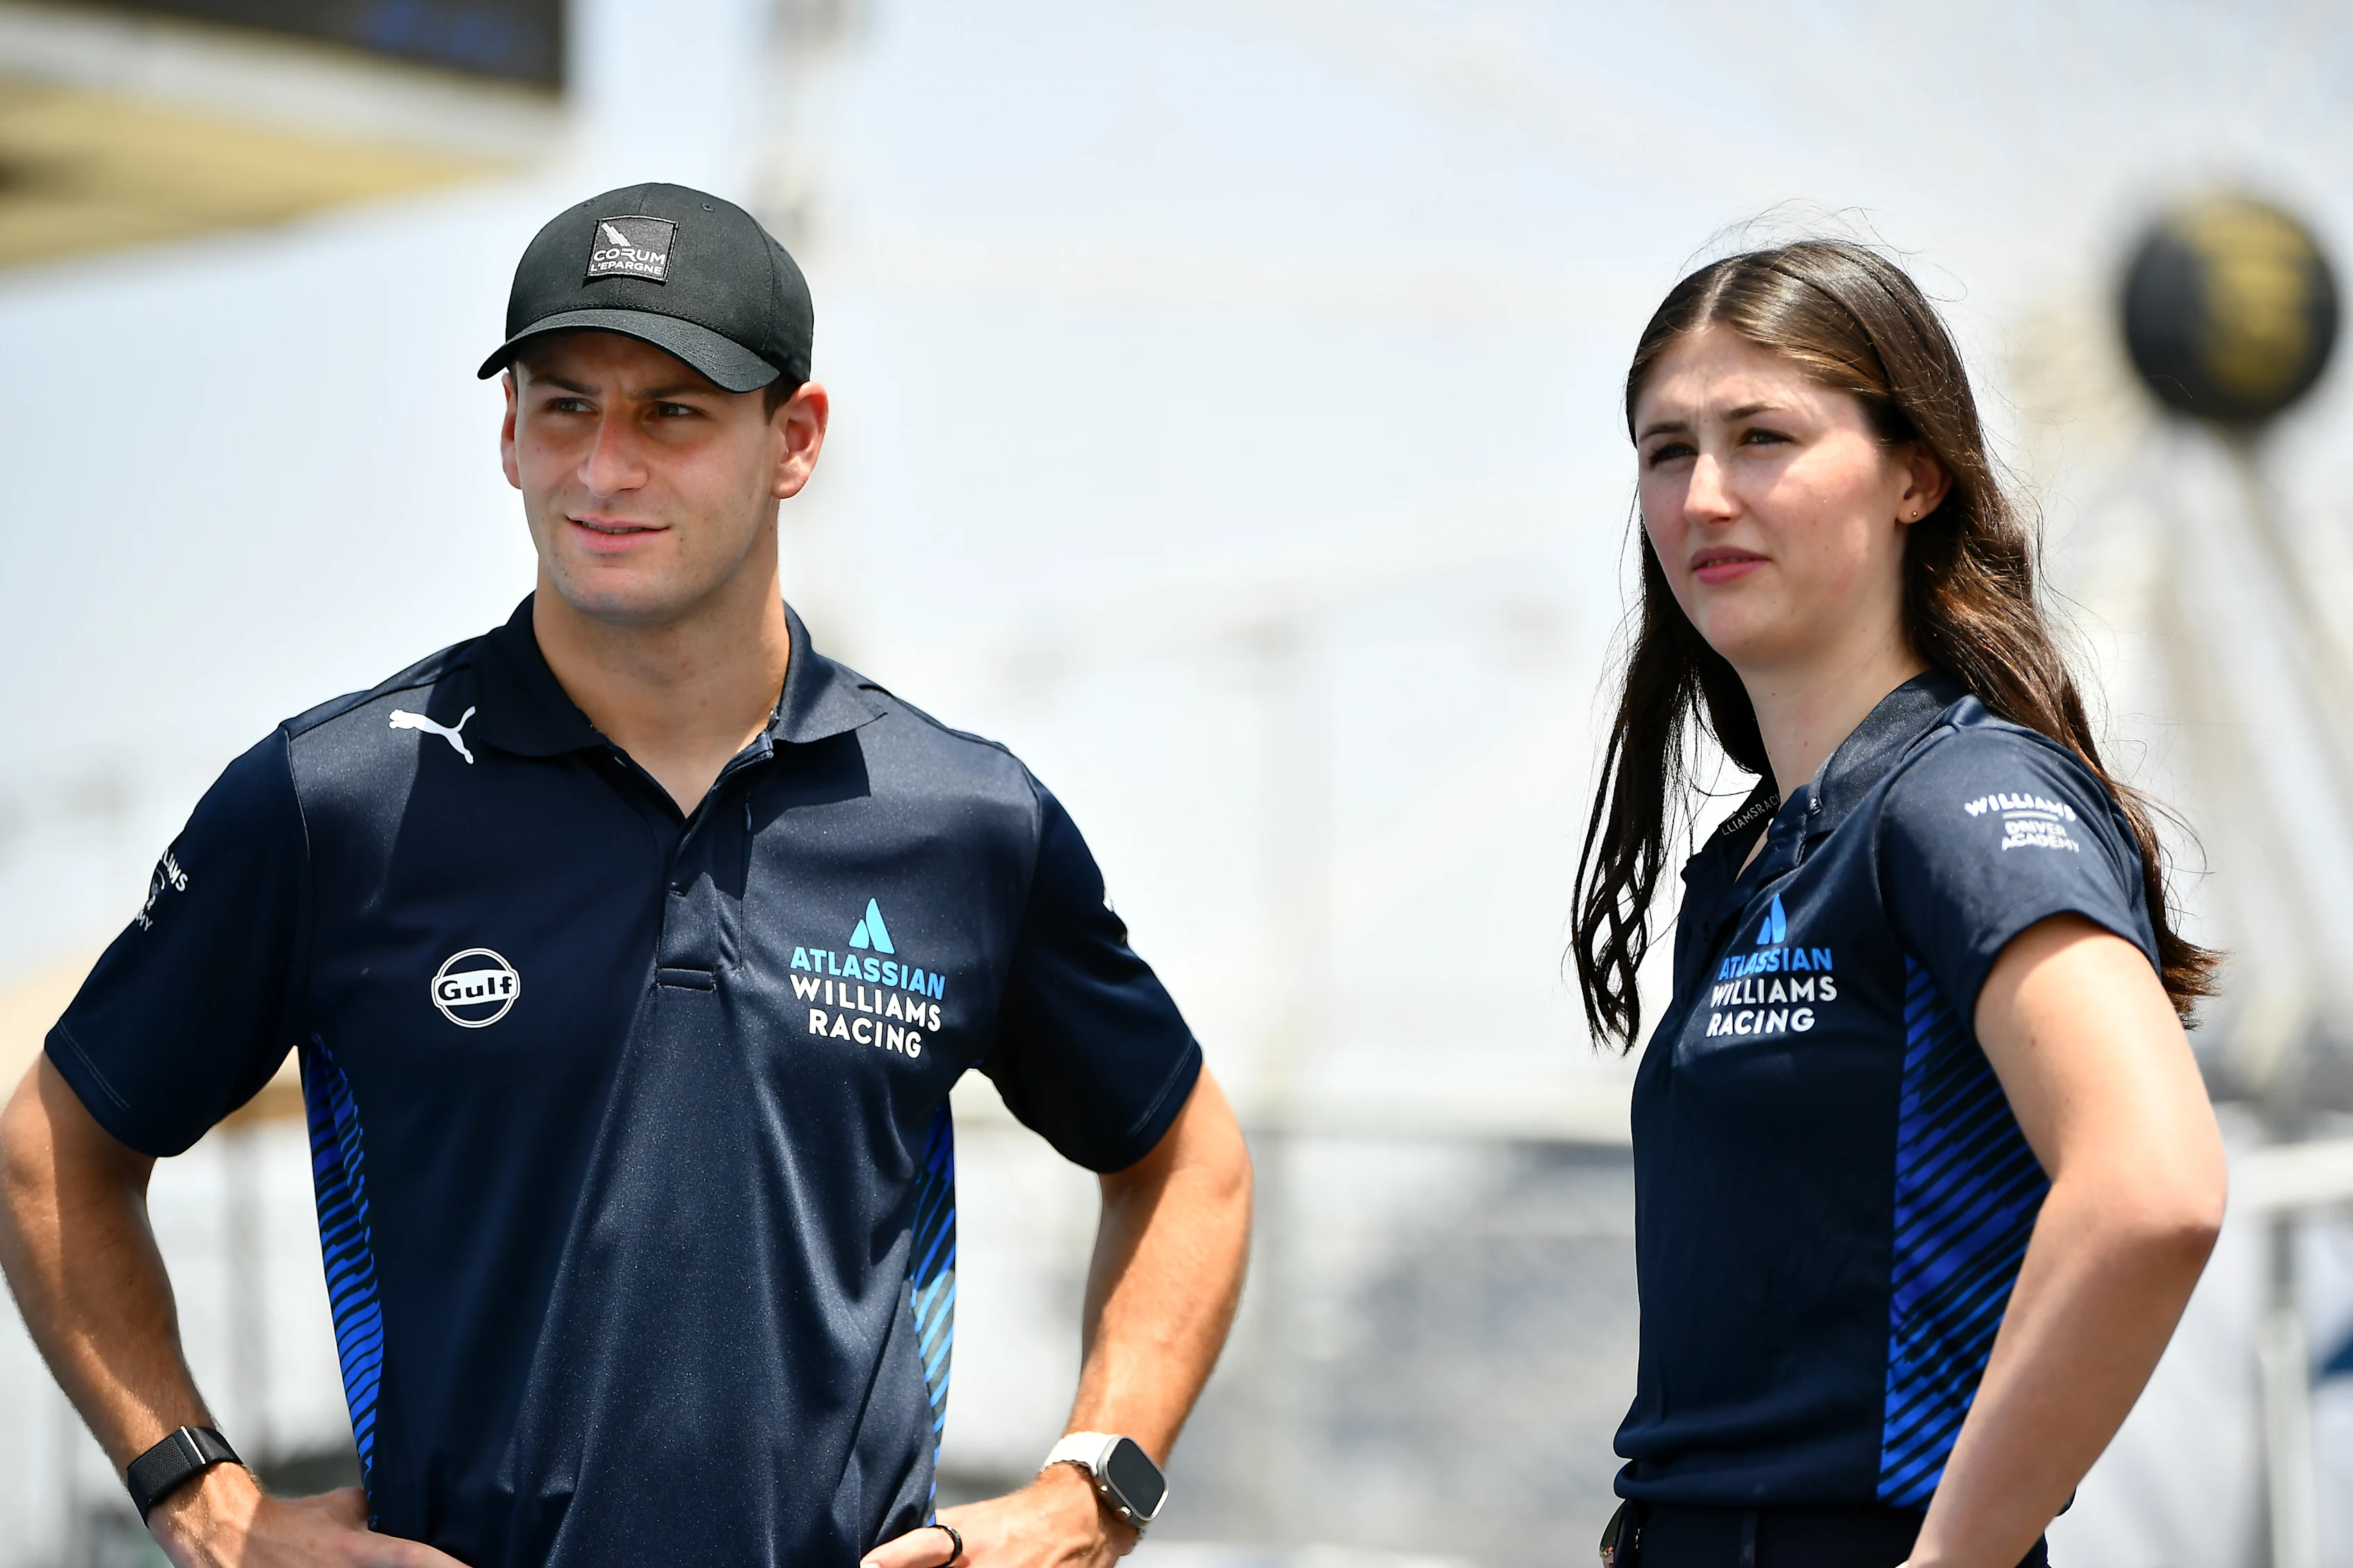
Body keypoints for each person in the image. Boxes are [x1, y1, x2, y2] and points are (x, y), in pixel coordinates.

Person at [0, 183, 1252, 1568]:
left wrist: (1093, 1488)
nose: (604, 469)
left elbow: (1188, 1159)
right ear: (508, 437)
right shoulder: (337, 801)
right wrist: (203, 1496)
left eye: (672, 413)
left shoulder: (963, 821)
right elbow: (52, 1154)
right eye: (564, 408)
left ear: (796, 438)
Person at [1571, 241, 2228, 1568]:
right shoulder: (1760, 860)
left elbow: (2154, 1186)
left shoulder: (1957, 798)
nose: (1705, 496)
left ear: (1916, 476)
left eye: (1764, 438)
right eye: (1666, 451)